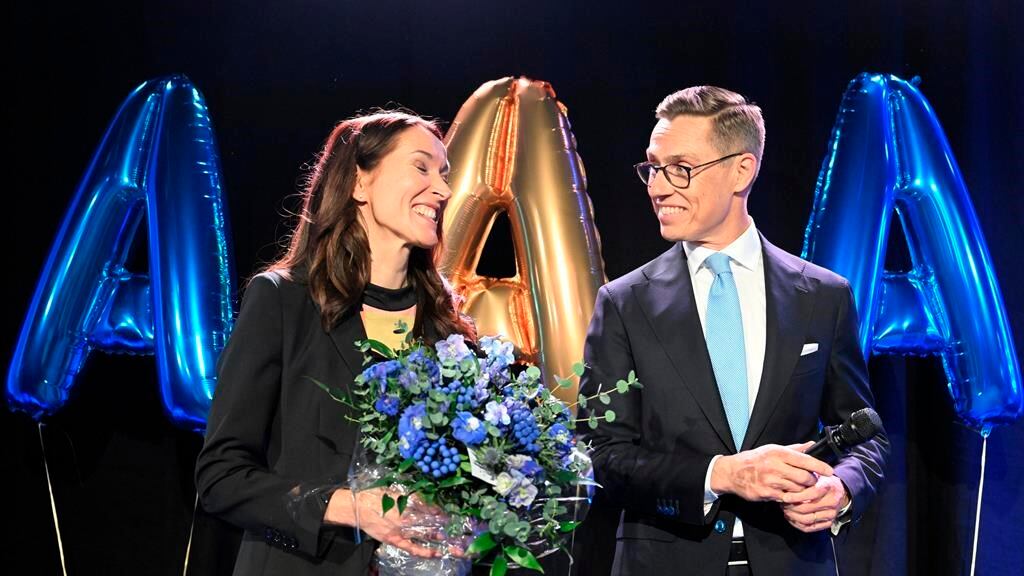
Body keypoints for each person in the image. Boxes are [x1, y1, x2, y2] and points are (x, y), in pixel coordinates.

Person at [577, 86, 889, 575]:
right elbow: (599, 455)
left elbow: (864, 435)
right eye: (653, 168)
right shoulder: (624, 302)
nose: (658, 187)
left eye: (680, 168)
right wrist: (721, 474)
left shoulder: (823, 296)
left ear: (742, 170)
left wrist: (842, 488)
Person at [195, 111, 475, 575]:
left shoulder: (448, 329)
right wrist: (350, 507)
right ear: (360, 183)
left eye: (444, 175)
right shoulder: (284, 301)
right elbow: (220, 478)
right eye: (421, 167)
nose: (442, 190)